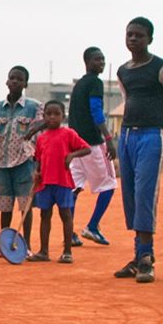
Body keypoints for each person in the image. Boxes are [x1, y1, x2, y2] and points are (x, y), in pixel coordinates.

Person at [113, 16, 163, 283]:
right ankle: (138, 256)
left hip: (151, 135)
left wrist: (158, 126)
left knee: (145, 193)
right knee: (131, 194)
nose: (133, 39)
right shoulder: (123, 71)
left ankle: (147, 258)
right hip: (126, 135)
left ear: (150, 38)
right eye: (129, 34)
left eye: (139, 35)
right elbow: (127, 100)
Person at [0, 66, 43, 258]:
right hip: (2, 163)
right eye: (12, 78)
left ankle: (27, 246)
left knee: (25, 207)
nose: (15, 82)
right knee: (4, 206)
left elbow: (44, 123)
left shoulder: (34, 107)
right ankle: (4, 244)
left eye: (19, 79)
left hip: (24, 162)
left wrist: (33, 137)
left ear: (25, 84)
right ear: (7, 81)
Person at [28, 100, 91, 264]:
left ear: (63, 116)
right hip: (45, 183)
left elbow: (86, 148)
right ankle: (43, 251)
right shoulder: (41, 138)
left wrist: (71, 156)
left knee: (66, 214)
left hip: (63, 182)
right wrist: (37, 172)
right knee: (45, 215)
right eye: (49, 114)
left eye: (56, 114)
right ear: (44, 116)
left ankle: (67, 251)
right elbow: (39, 159)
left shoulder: (69, 133)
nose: (52, 117)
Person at [67, 46, 117, 246]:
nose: (101, 63)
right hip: (92, 144)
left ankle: (68, 232)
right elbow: (96, 111)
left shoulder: (79, 84)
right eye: (97, 60)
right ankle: (92, 226)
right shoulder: (95, 83)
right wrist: (108, 138)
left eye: (103, 60)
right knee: (109, 185)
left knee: (74, 188)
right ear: (87, 62)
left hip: (75, 145)